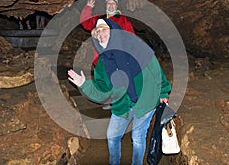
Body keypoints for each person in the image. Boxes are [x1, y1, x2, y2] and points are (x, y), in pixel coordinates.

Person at [68, 18, 171, 165]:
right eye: (97, 32)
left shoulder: (135, 47)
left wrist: (163, 91)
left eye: (104, 29)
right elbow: (102, 91)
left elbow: (155, 68)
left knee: (137, 137)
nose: (101, 33)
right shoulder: (102, 63)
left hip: (145, 99)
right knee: (112, 136)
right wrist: (84, 84)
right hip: (122, 103)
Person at [80, 0, 136, 110]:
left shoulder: (123, 20)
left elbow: (130, 36)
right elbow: (85, 23)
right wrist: (88, 8)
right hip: (101, 56)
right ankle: (110, 100)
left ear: (117, 5)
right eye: (108, 3)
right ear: (105, 6)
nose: (111, 6)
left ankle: (125, 102)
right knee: (105, 79)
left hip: (118, 55)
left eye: (113, 3)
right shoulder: (99, 20)